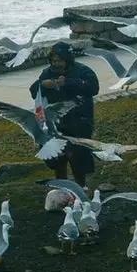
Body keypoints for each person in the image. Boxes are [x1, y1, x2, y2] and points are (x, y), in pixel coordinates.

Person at [31, 41, 100, 188]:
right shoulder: (47, 73)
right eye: (54, 61)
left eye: (60, 61)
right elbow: (33, 92)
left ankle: (81, 188)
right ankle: (62, 188)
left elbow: (93, 88)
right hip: (56, 122)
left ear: (67, 59)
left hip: (79, 120)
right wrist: (42, 85)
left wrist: (67, 82)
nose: (56, 64)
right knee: (57, 156)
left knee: (78, 156)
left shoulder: (83, 71)